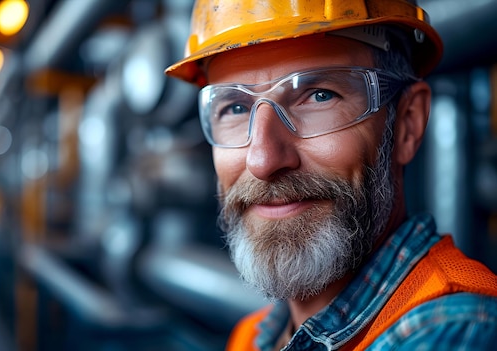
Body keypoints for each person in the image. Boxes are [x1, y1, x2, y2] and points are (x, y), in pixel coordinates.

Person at [165, 0, 497, 350]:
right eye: (234, 107)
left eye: (319, 96)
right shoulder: (253, 337)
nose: (262, 160)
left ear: (407, 124)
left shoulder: (458, 330)